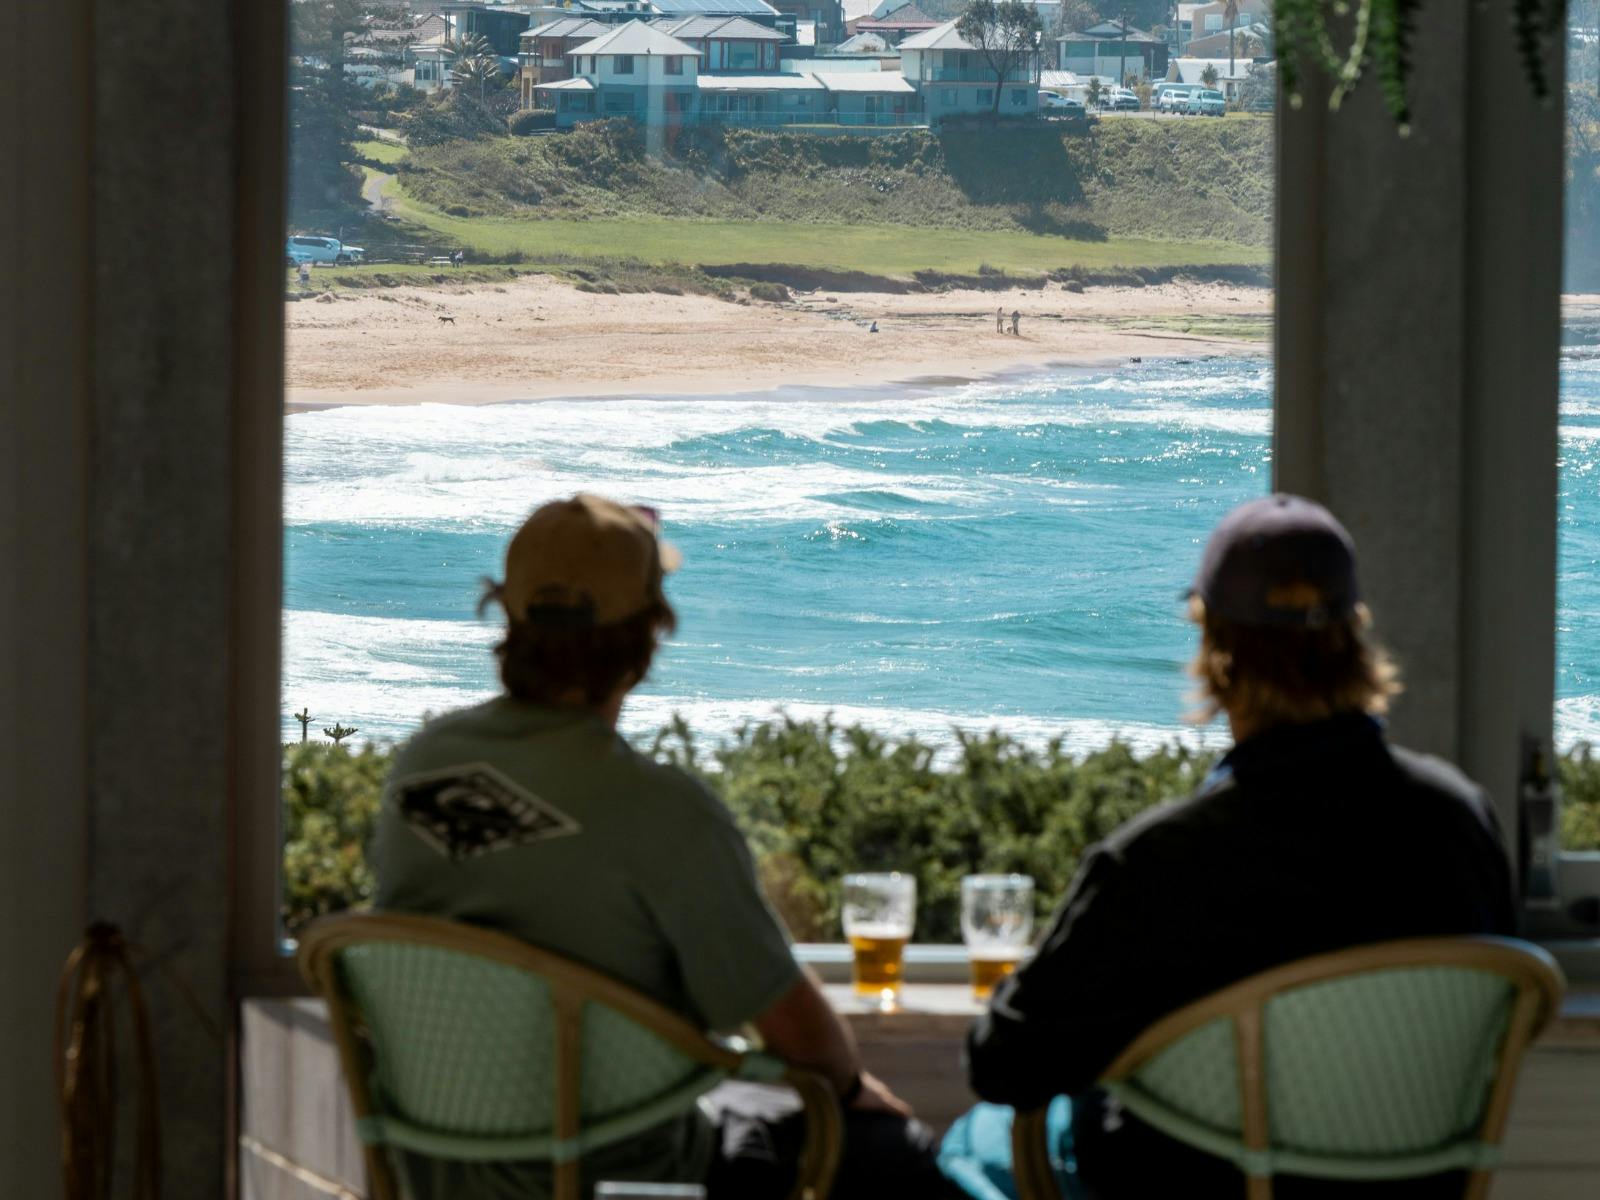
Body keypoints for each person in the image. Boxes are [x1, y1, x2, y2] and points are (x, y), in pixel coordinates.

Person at [372, 494, 960, 1200]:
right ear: (648, 637)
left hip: (438, 1168)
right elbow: (807, 1044)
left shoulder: (420, 766)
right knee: (894, 1153)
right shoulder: (664, 812)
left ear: (509, 612)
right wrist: (854, 1085)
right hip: (629, 1175)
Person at [943, 493, 1517, 1200]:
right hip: (1407, 1188)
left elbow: (1003, 1066)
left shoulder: (1160, 860)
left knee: (975, 1144)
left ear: (1213, 645)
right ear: (1357, 634)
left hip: (1192, 1187)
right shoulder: (1462, 822)